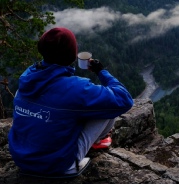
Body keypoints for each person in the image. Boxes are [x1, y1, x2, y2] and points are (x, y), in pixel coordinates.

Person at [8, 27, 134, 176]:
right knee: (106, 106)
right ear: (72, 56)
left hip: (21, 159)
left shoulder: (27, 78)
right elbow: (124, 99)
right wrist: (101, 71)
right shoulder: (75, 88)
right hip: (56, 165)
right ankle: (91, 147)